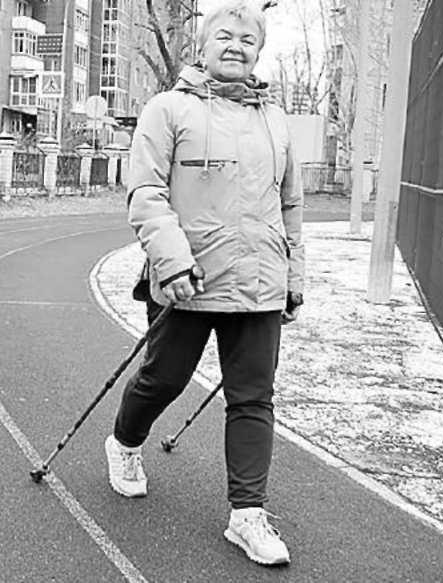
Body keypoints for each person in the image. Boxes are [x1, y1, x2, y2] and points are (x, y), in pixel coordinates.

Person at [104, 0, 304, 567]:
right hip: (187, 281)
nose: (236, 46)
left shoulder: (275, 120)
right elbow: (146, 193)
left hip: (259, 283)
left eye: (248, 39)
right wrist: (170, 262)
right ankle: (124, 443)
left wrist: (293, 277)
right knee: (163, 379)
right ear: (203, 45)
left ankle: (247, 515)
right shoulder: (168, 109)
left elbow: (290, 204)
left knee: (253, 398)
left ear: (258, 51)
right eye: (225, 36)